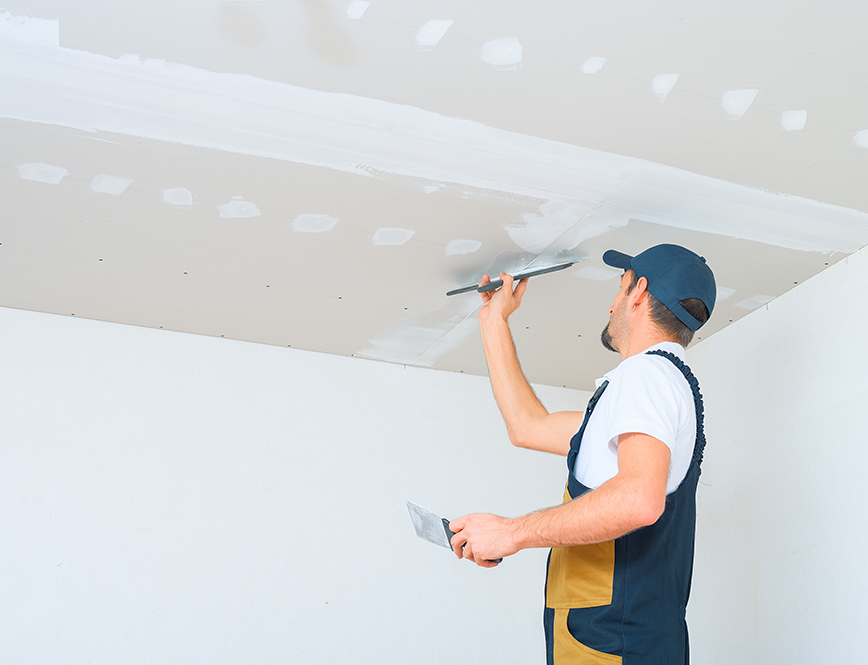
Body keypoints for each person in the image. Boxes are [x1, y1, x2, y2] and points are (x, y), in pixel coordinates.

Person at [449, 244, 716, 665]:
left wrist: (512, 533)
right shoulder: (651, 389)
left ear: (639, 291)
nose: (612, 304)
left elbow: (638, 500)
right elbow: (527, 426)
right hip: (609, 642)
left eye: (619, 287)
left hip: (615, 647)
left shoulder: (646, 375)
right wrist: (492, 319)